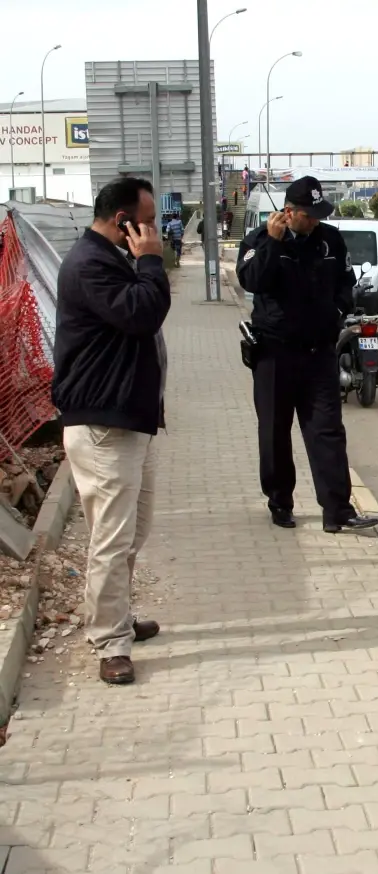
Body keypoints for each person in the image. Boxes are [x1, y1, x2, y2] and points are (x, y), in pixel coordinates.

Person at [52, 177, 171, 685]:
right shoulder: (91, 264)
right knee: (111, 538)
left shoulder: (109, 258)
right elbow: (142, 314)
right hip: (103, 422)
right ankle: (109, 643)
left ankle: (116, 620)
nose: (153, 230)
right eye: (146, 220)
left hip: (128, 420)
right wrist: (150, 261)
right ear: (123, 220)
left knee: (131, 533)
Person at [236, 175, 378, 534]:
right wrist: (272, 242)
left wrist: (336, 314)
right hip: (274, 354)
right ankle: (280, 502)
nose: (315, 220)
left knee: (327, 431)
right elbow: (252, 281)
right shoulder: (260, 240)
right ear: (289, 212)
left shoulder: (329, 239)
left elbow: (346, 284)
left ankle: (338, 510)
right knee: (275, 432)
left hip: (318, 353)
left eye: (319, 213)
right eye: (308, 215)